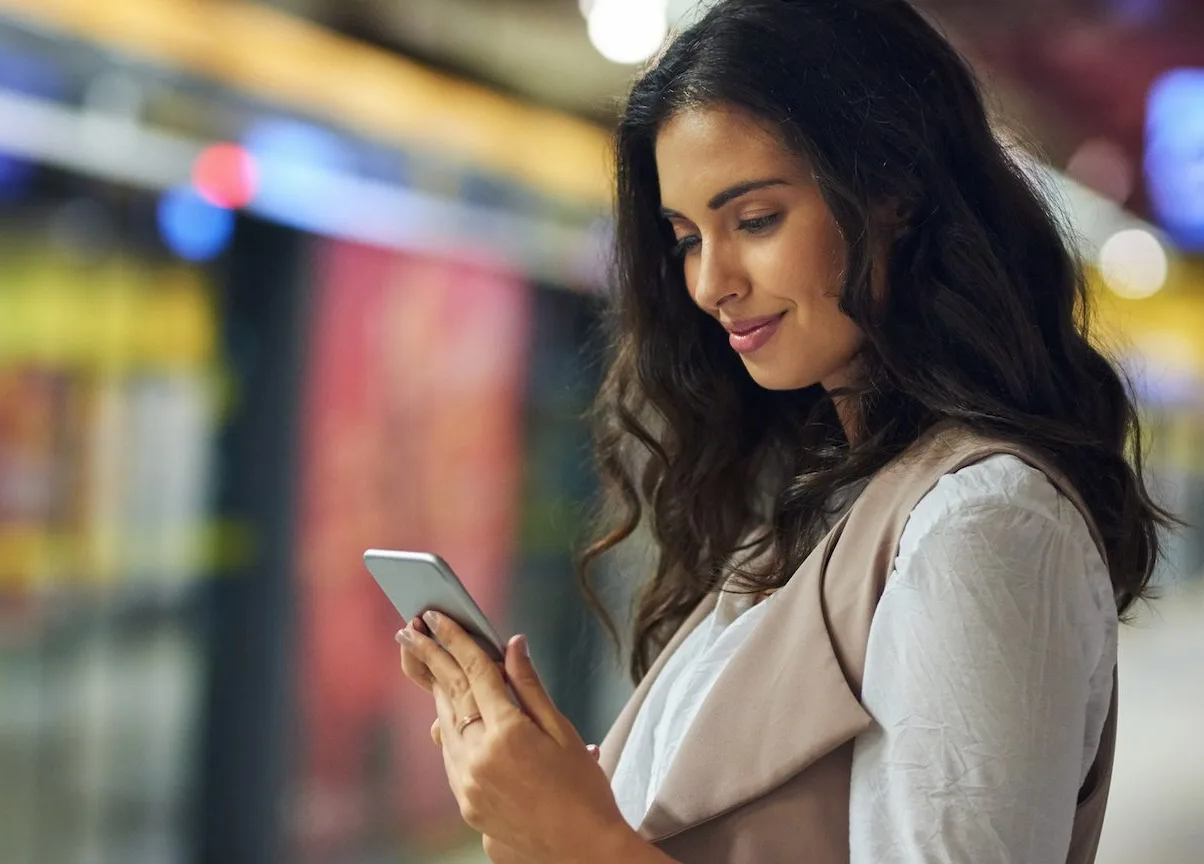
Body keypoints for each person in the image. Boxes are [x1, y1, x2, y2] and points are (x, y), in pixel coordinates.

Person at [392, 0, 1174, 862]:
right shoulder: (827, 503)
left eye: (755, 220)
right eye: (686, 238)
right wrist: (542, 803)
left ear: (896, 195)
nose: (709, 282)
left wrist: (581, 841)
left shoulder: (983, 522)